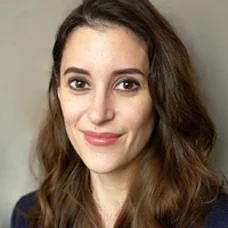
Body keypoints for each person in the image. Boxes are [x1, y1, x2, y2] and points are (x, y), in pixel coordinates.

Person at [10, 0, 228, 227]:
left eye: (126, 84)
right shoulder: (28, 216)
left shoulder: (218, 220)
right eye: (79, 83)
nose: (98, 113)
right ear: (59, 90)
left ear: (161, 95)